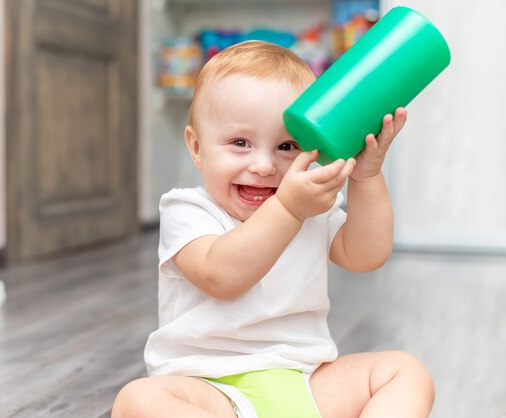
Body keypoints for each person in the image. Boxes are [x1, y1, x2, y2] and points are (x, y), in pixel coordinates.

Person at [112, 41, 434, 418]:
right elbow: (222, 275)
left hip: (305, 382)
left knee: (405, 371)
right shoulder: (188, 209)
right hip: (209, 389)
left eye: (287, 146)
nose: (264, 166)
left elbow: (367, 255)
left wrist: (366, 176)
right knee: (138, 401)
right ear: (197, 148)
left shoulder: (309, 207)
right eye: (240, 143)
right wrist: (287, 209)